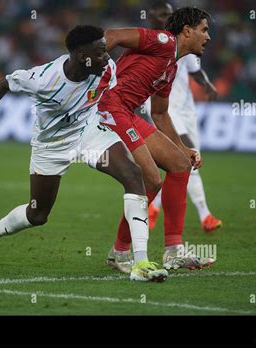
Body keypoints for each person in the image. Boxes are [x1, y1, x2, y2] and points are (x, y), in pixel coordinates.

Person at [0, 25, 168, 282]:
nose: (107, 57)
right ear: (79, 55)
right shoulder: (43, 78)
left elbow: (109, 97)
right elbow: (4, 83)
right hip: (50, 146)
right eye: (100, 52)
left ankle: (140, 261)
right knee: (37, 214)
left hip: (88, 132)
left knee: (133, 175)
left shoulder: (107, 69)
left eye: (106, 50)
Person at [100, 6, 215, 273]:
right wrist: (90, 72)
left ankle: (174, 251)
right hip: (108, 106)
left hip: (126, 113)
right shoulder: (162, 42)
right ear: (187, 31)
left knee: (179, 164)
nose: (208, 38)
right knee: (151, 178)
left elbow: (160, 114)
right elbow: (113, 35)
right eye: (204, 30)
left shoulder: (171, 67)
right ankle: (120, 251)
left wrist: (182, 147)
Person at [144, 1, 222, 233]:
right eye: (160, 14)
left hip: (187, 111)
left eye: (168, 14)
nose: (164, 17)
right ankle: (205, 214)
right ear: (150, 17)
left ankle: (153, 208)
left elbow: (195, 70)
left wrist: (208, 86)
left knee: (181, 161)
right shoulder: (148, 43)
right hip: (164, 110)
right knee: (189, 158)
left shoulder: (182, 42)